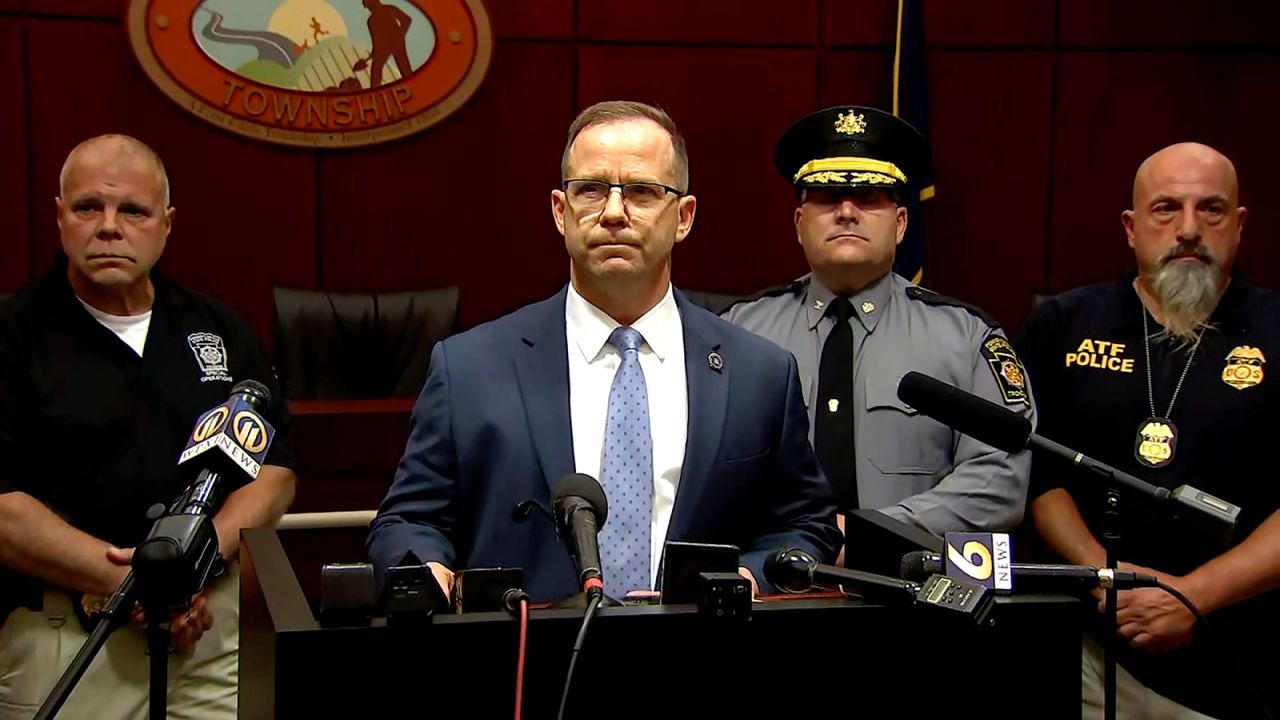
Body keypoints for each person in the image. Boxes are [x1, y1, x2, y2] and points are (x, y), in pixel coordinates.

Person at [366, 101, 841, 603]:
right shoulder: (469, 368)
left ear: (683, 217)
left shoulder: (759, 373)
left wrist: (745, 580)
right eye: (590, 190)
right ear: (559, 211)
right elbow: (407, 522)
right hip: (526, 665)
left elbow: (806, 525)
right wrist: (426, 572)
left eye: (641, 191)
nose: (613, 212)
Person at [0, 135, 297, 719]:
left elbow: (274, 473)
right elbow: (4, 506)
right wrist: (140, 581)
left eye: (131, 210)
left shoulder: (219, 328)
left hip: (207, 630)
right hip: (69, 638)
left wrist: (193, 567)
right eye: (88, 207)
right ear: (59, 217)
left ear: (166, 223)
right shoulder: (13, 334)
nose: (109, 227)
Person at [1016, 142, 1280, 719]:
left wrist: (1194, 596)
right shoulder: (1061, 324)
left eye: (1210, 209)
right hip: (1086, 646)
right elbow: (1038, 476)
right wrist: (1108, 577)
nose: (1188, 229)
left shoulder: (1276, 329)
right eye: (1166, 209)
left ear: (1238, 226)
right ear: (1132, 228)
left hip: (1242, 653)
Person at [722, 106, 1034, 543]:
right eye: (828, 198)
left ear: (901, 224)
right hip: (768, 589)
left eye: (869, 197)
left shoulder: (967, 338)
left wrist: (873, 536)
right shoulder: (737, 334)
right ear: (799, 224)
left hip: (914, 592)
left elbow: (1000, 480)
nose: (847, 212)